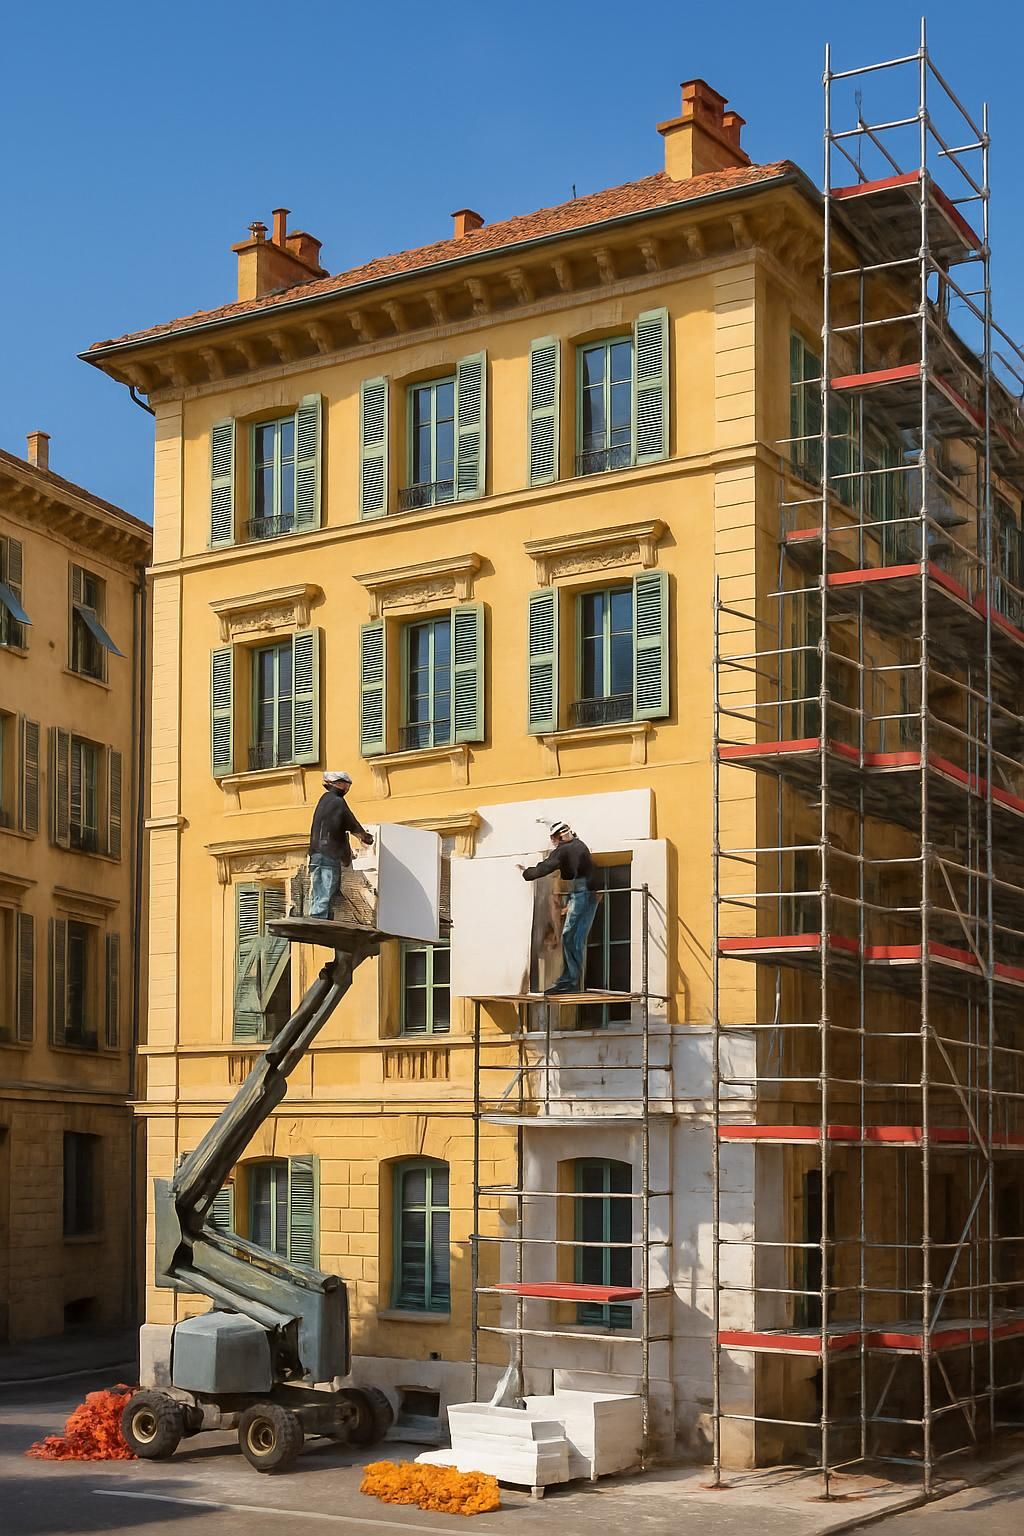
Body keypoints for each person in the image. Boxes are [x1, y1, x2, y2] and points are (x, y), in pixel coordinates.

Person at [520, 821, 600, 995]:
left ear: (557, 837)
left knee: (570, 936)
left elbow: (548, 866)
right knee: (576, 937)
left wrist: (527, 873)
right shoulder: (580, 845)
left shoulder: (565, 849)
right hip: (588, 892)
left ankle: (569, 982)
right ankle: (572, 981)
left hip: (582, 891)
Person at [307, 771, 374, 919]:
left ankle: (318, 913)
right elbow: (351, 823)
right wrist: (366, 837)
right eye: (346, 785)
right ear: (339, 784)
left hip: (315, 852)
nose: (347, 789)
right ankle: (321, 916)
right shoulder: (337, 802)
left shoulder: (323, 800)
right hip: (329, 852)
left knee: (318, 886)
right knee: (327, 884)